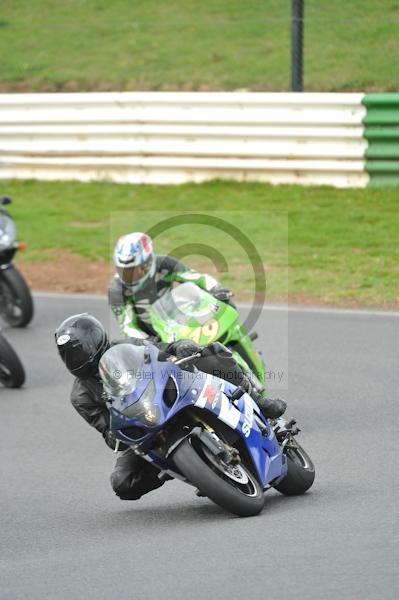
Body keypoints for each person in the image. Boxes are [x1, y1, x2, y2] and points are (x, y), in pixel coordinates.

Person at [55, 313, 286, 502]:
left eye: (81, 350)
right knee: (123, 483)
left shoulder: (125, 345)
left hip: (165, 396)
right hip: (141, 425)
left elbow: (160, 349)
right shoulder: (81, 397)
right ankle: (189, 470)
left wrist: (179, 346)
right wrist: (115, 435)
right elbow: (107, 432)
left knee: (212, 352)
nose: (79, 357)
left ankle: (258, 401)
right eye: (71, 355)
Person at [109, 232, 234, 338]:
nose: (129, 277)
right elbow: (127, 327)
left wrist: (217, 289)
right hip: (152, 338)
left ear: (148, 263)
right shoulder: (117, 290)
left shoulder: (164, 265)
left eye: (135, 270)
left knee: (225, 307)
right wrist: (149, 342)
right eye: (123, 270)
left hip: (177, 321)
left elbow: (197, 278)